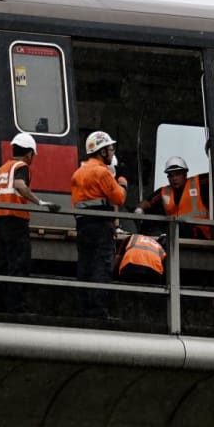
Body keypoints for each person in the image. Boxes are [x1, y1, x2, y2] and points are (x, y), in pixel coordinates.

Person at [0, 132, 59, 312]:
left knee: (2, 263)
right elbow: (20, 186)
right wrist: (40, 202)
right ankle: (16, 306)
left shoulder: (0, 170)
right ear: (29, 154)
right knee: (19, 263)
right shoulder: (21, 167)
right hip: (16, 221)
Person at [71, 130, 127, 318]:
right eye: (110, 149)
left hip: (83, 225)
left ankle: (83, 308)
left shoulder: (78, 173)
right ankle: (99, 310)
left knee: (85, 266)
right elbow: (119, 198)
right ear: (102, 152)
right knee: (101, 266)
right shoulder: (102, 173)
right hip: (101, 225)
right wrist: (123, 183)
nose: (112, 152)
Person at [133, 156, 211, 239]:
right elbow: (147, 202)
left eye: (177, 174)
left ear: (185, 173)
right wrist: (139, 210)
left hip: (200, 235)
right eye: (170, 176)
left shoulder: (198, 182)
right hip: (176, 236)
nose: (174, 178)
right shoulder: (164, 191)